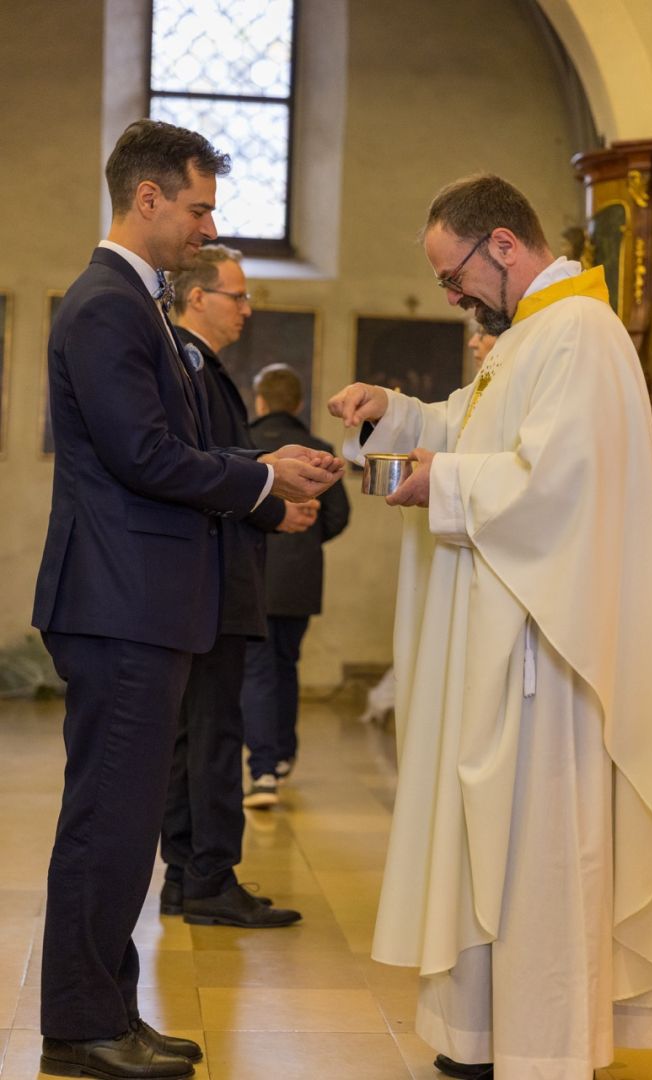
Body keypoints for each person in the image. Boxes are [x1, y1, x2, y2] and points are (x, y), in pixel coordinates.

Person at [328, 174, 652, 1080]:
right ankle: (481, 1035)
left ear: (500, 243)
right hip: (501, 638)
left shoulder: (579, 332)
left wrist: (442, 482)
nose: (452, 295)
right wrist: (396, 412)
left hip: (542, 647)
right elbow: (474, 427)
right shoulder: (531, 334)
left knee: (536, 851)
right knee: (488, 844)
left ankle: (541, 1046)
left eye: (453, 276)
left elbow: (557, 481)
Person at [31, 118, 343, 1080]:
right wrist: (260, 479)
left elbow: (174, 448)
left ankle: (108, 1011)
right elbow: (143, 455)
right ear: (148, 197)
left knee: (125, 824)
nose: (208, 227)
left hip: (140, 599)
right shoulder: (106, 307)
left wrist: (263, 471)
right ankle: (81, 1027)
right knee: (108, 821)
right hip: (120, 599)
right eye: (199, 208)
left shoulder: (138, 306)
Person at [160, 246, 318, 926]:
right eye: (238, 295)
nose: (248, 309)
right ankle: (209, 877)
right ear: (198, 297)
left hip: (203, 580)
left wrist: (274, 497)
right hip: (213, 582)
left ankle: (184, 873)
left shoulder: (193, 365)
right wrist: (272, 490)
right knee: (214, 734)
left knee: (192, 733)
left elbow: (217, 467)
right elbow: (202, 472)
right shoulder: (190, 365)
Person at [242, 364, 351, 806]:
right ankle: (284, 754)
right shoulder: (320, 451)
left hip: (252, 573)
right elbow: (338, 516)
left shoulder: (247, 446)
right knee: (286, 665)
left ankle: (263, 769)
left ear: (260, 401)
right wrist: (304, 543)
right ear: (299, 403)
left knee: (257, 670)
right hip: (300, 579)